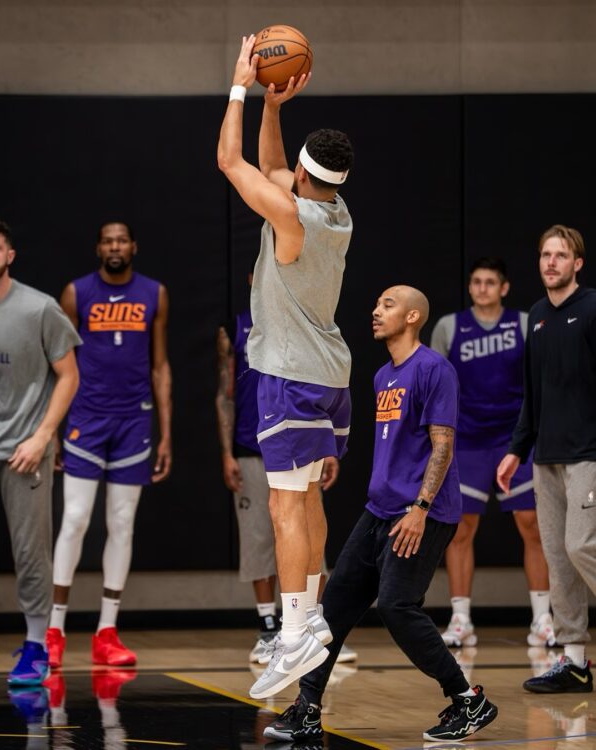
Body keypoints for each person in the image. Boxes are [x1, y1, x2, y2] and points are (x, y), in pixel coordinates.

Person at [263, 285, 498, 743]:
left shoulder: (435, 369)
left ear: (413, 317)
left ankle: (468, 701)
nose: (375, 310)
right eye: (376, 304)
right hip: (379, 512)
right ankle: (307, 708)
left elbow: (443, 445)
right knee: (329, 614)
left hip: (421, 514)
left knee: (395, 605)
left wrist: (420, 508)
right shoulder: (382, 376)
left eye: (387, 305)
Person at [218, 36, 354, 700]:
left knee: (283, 507)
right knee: (306, 499)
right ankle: (311, 616)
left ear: (302, 176)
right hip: (329, 377)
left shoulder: (291, 217)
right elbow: (273, 171)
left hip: (291, 375)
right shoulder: (332, 210)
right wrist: (274, 107)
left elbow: (229, 160)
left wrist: (242, 85)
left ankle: (296, 632)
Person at [45, 221, 172, 669]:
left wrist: (166, 432)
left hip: (133, 421)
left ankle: (106, 632)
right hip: (86, 418)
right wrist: (54, 425)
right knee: (76, 519)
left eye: (122, 240)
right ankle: (54, 629)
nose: (115, 246)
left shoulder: (154, 293)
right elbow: (59, 366)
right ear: (98, 247)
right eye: (107, 240)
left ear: (133, 246)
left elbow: (160, 366)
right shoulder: (76, 293)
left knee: (122, 522)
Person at [215, 268, 356, 665]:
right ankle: (269, 629)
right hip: (251, 444)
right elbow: (223, 393)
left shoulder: (308, 321)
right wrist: (226, 452)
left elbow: (329, 385)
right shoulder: (234, 329)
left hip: (300, 437)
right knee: (261, 536)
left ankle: (311, 622)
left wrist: (330, 445)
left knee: (308, 529)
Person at [431, 257, 553, 648]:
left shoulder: (522, 324)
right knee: (461, 529)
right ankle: (461, 619)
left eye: (490, 283)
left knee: (533, 523)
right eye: (476, 282)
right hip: (467, 440)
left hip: (513, 440)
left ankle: (542, 620)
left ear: (504, 288)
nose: (482, 288)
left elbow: (539, 380)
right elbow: (434, 385)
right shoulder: (451, 327)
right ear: (470, 287)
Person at [498, 224, 596, 694]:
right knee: (558, 558)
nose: (551, 262)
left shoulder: (593, 308)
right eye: (545, 255)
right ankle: (574, 661)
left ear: (578, 264)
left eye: (561, 255)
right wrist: (517, 450)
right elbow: (532, 396)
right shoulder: (536, 316)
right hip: (546, 458)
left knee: (582, 546)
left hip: (588, 455)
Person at [0, 220, 80, 686]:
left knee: (30, 552)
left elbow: (69, 376)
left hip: (23, 449)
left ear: (10, 255)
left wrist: (43, 436)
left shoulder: (39, 308)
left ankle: (36, 645)